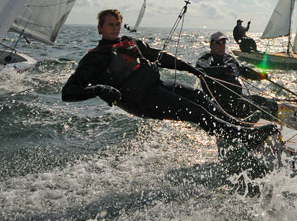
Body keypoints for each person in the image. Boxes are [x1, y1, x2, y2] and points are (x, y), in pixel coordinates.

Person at [61, 9, 277, 149]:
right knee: (197, 112)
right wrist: (99, 89)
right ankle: (245, 138)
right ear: (100, 28)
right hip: (141, 100)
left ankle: (240, 128)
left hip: (157, 85)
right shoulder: (94, 57)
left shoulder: (130, 42)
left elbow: (159, 57)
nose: (115, 28)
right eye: (110, 25)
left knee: (202, 99)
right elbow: (68, 93)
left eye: (117, 24)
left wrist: (192, 70)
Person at [196, 32, 278, 121]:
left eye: (223, 42)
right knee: (262, 110)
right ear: (211, 45)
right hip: (223, 104)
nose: (221, 45)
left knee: (272, 104)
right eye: (218, 43)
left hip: (240, 98)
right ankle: (275, 129)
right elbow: (204, 70)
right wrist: (224, 68)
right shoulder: (205, 60)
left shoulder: (229, 59)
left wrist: (259, 75)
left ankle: (280, 124)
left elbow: (242, 71)